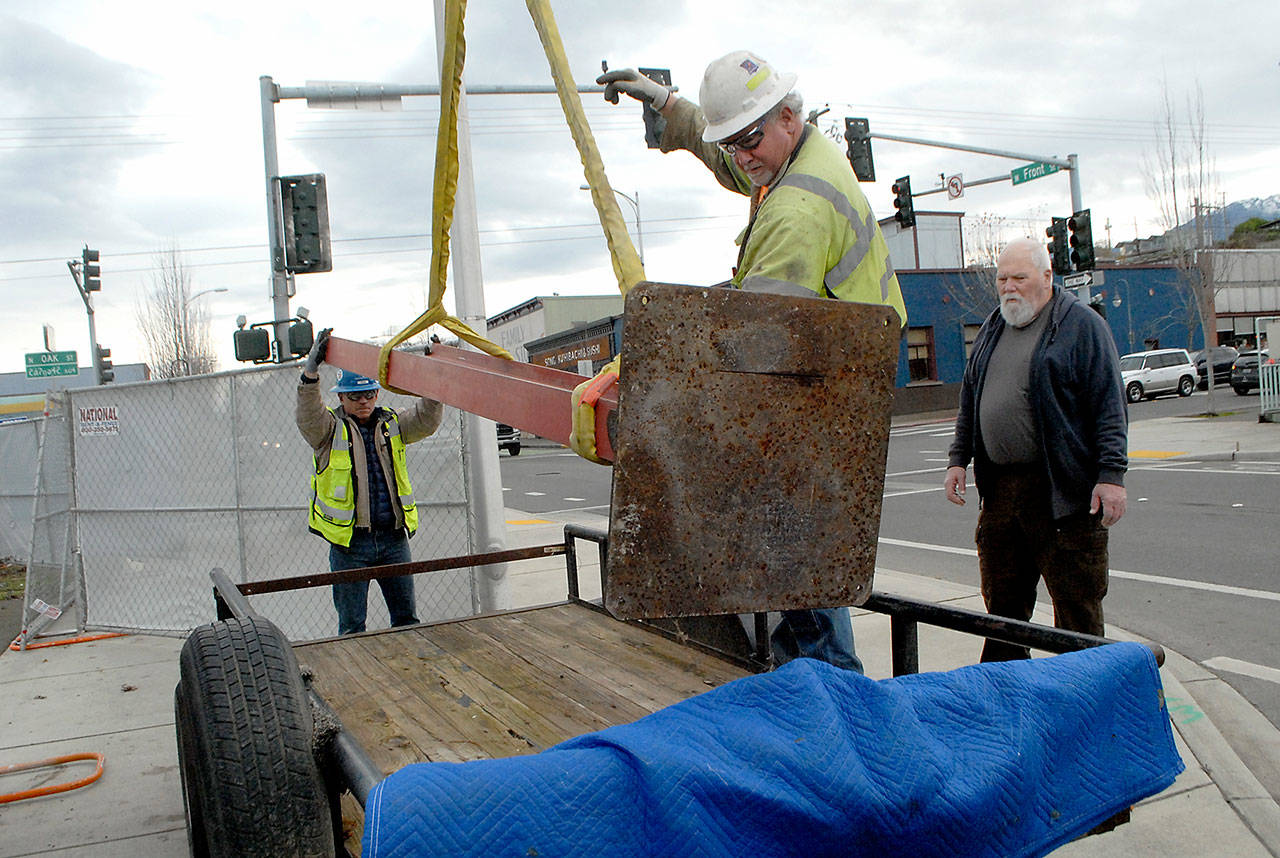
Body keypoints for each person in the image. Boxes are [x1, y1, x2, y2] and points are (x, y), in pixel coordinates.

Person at [598, 51, 909, 673]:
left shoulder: (797, 213)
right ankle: (807, 673)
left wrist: (666, 365)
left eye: (750, 140)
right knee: (799, 538)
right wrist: (666, 106)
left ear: (788, 117)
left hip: (826, 384)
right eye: (734, 142)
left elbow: (753, 344)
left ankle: (832, 686)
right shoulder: (795, 150)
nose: (743, 156)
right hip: (828, 365)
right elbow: (733, 162)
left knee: (796, 538)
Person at [943, 238, 1128, 661]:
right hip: (1002, 495)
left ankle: (1081, 706)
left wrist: (1111, 477)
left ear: (1047, 277)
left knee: (1077, 616)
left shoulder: (1082, 326)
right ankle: (1005, 702)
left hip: (1063, 493)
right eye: (1002, 279)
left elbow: (1109, 406)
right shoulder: (993, 326)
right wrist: (959, 458)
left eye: (1019, 278)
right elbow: (971, 398)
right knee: (1003, 613)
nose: (1009, 287)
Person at [296, 328, 444, 636]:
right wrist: (310, 372)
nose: (364, 402)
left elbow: (426, 420)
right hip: (350, 545)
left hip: (393, 540)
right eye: (355, 396)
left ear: (378, 393)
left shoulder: (392, 423)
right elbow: (308, 417)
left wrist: (434, 376)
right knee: (352, 627)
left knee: (406, 621)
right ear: (341, 396)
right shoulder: (328, 430)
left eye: (370, 394)